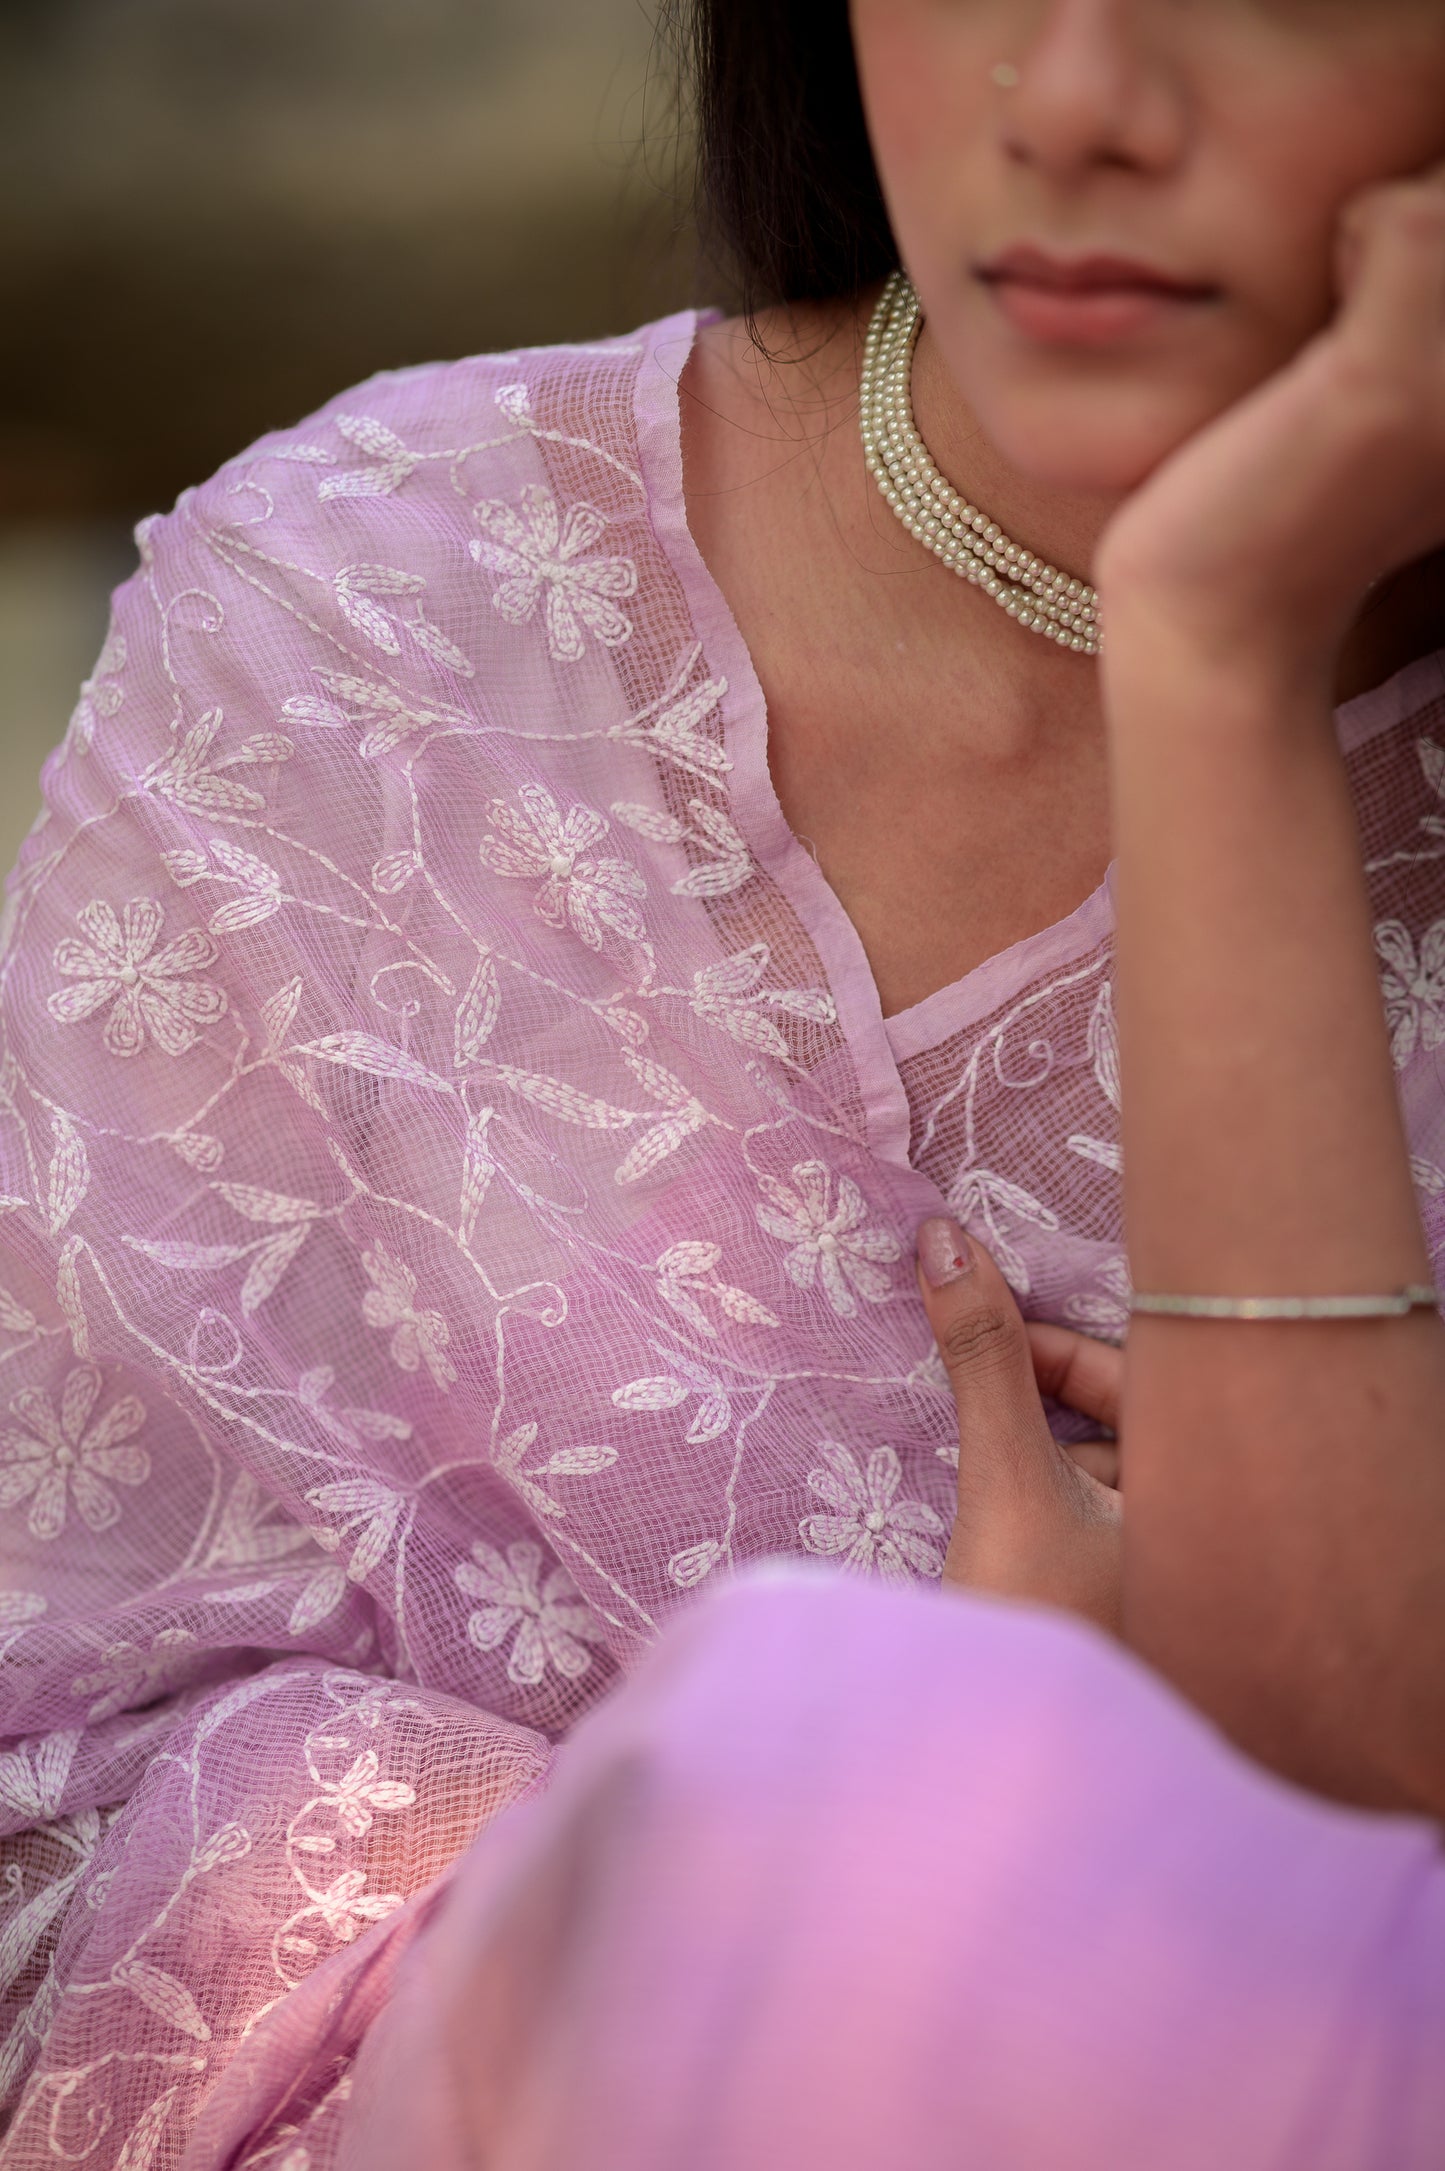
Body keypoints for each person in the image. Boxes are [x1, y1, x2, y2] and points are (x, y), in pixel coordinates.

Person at [3, 0, 1445, 2162]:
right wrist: (879, 1831)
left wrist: (1218, 650)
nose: (1075, 101)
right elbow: (54, 1784)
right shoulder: (373, 618)